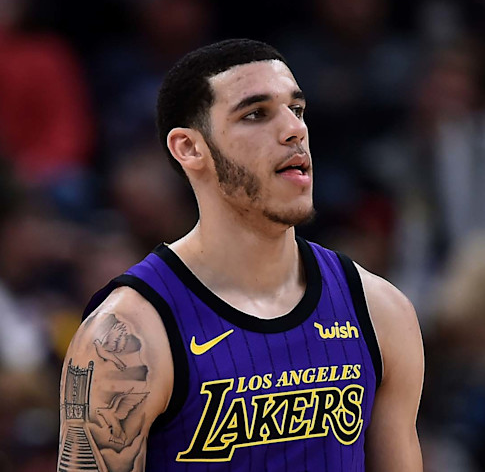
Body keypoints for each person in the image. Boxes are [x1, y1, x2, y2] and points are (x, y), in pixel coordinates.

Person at [56, 39, 425, 471]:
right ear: (189, 148)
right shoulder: (124, 337)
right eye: (255, 114)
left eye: (297, 110)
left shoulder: (380, 310)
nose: (294, 130)